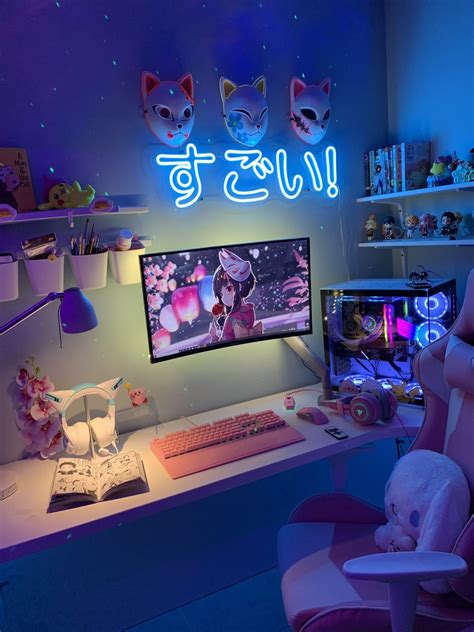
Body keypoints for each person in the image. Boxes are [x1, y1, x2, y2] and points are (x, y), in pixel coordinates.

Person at [209, 248, 263, 342]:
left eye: (228, 289)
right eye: (221, 294)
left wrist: (214, 336)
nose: (223, 298)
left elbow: (223, 345)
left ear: (240, 287)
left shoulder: (231, 318)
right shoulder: (250, 310)